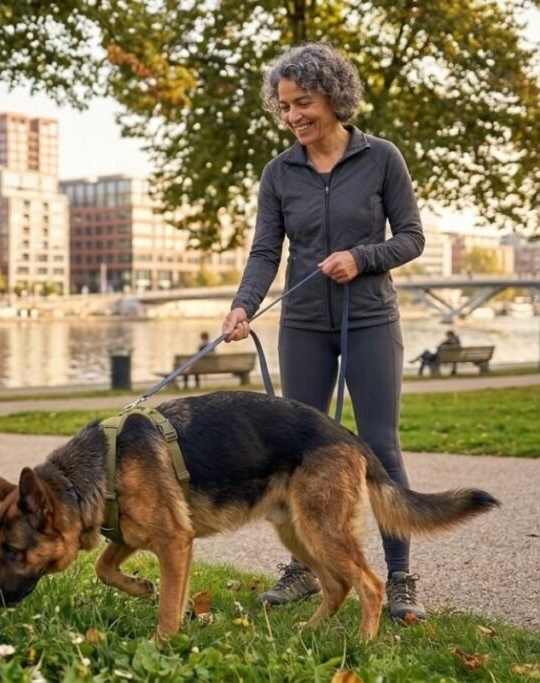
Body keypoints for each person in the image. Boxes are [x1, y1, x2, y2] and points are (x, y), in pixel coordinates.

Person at [220, 43, 427, 621]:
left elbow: (411, 237)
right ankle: (305, 568)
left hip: (369, 318)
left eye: (302, 103)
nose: (293, 117)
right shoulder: (279, 173)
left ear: (334, 97)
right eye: (284, 107)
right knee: (296, 449)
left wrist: (362, 258)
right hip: (304, 323)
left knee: (379, 445)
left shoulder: (382, 158)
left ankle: (401, 577)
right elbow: (265, 251)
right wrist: (242, 306)